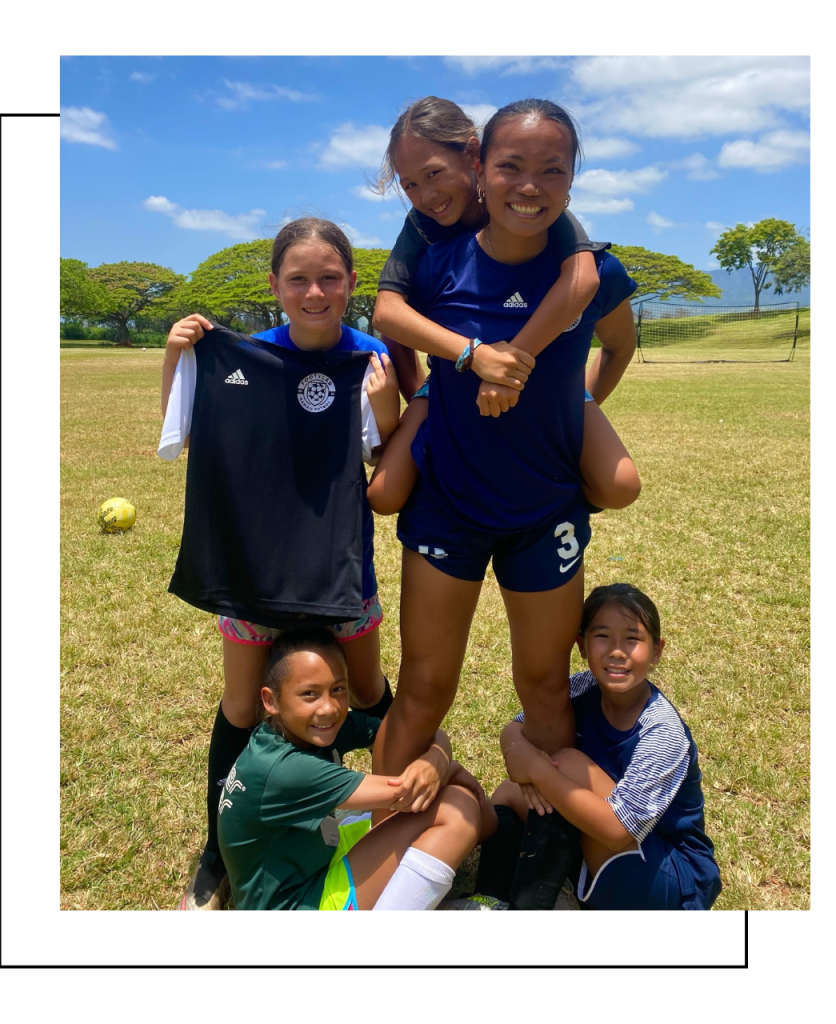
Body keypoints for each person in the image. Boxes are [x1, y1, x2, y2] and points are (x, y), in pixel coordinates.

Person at [372, 99, 640, 800]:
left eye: (553, 170)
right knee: (424, 687)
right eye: (512, 166)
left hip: (545, 512)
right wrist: (436, 384)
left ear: (572, 178)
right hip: (448, 507)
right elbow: (390, 321)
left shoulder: (590, 268)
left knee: (546, 683)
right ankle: (371, 836)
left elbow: (620, 344)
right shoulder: (435, 260)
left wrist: (577, 403)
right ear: (482, 167)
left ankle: (547, 841)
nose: (530, 185)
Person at [158, 219, 402, 911]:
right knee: (243, 706)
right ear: (275, 285)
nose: (314, 292)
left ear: (352, 283)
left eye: (329, 278)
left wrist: (386, 411)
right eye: (298, 279)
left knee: (366, 692)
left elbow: (388, 469)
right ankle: (217, 854)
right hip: (253, 571)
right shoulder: (240, 356)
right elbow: (183, 438)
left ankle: (393, 817)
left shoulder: (372, 358)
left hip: (340, 569)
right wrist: (175, 359)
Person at [371, 95, 640, 513]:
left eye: (434, 174)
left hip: (531, 376)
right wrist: (456, 370)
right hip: (457, 373)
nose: (426, 195)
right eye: (410, 185)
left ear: (473, 156)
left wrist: (514, 371)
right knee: (383, 496)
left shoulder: (537, 205)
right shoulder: (422, 227)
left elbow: (583, 280)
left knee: (621, 486)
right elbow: (389, 314)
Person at [218, 629, 495, 912]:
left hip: (319, 859)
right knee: (456, 811)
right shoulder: (284, 769)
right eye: (309, 694)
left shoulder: (301, 729)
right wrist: (442, 765)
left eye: (338, 689)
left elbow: (410, 735)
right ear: (271, 701)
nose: (328, 708)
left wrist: (437, 759)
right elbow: (406, 791)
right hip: (300, 902)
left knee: (475, 813)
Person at [490, 583, 722, 912]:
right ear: (582, 645)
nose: (616, 651)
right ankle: (489, 896)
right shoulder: (582, 687)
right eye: (602, 636)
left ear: (657, 651)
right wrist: (516, 751)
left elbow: (618, 831)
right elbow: (515, 727)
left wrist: (537, 769)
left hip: (668, 876)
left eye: (632, 638)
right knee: (509, 793)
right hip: (609, 852)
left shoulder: (662, 731)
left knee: (568, 765)